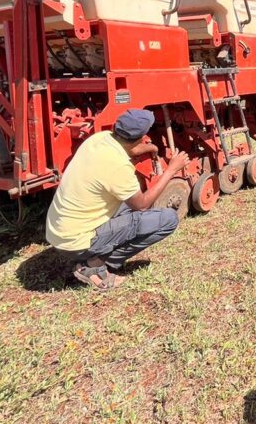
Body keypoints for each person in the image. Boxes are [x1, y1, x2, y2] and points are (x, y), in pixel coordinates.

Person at [45, 109, 191, 291]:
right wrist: (171, 170)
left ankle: (92, 256)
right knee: (168, 219)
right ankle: (94, 265)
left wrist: (151, 148)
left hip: (59, 232)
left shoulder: (99, 139)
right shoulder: (118, 166)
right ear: (141, 136)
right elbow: (142, 205)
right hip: (76, 243)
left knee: (125, 204)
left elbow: (130, 148)